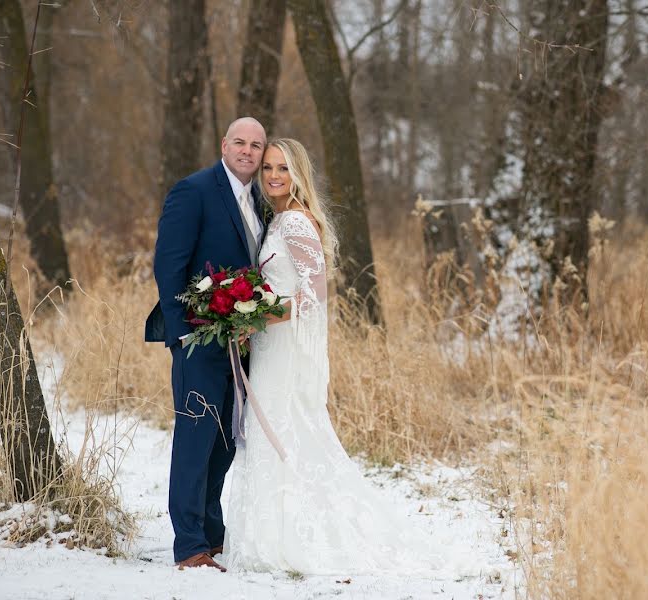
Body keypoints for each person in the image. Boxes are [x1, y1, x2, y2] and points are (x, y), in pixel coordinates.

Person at [225, 139, 474, 576]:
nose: (274, 176)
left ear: (299, 173)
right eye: (267, 168)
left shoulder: (298, 223)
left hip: (284, 347)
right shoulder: (278, 220)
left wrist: (257, 316)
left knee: (289, 432)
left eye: (283, 168)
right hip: (269, 345)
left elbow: (312, 297)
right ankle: (270, 532)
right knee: (274, 435)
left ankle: (298, 538)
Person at [145, 117, 268, 572]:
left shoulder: (261, 200)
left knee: (226, 443)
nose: (248, 151)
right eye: (240, 141)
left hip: (244, 342)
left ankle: (213, 534)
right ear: (224, 144)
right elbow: (169, 265)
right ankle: (189, 545)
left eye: (256, 145)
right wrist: (180, 333)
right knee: (196, 439)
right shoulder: (193, 190)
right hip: (198, 338)